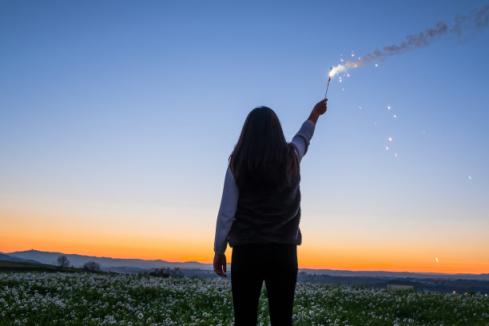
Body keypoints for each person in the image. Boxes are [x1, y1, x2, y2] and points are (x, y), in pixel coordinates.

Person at [213, 99, 328, 325]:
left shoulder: (238, 163)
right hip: (283, 253)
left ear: (247, 132)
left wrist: (219, 250)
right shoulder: (291, 157)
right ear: (277, 130)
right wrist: (315, 114)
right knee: (282, 319)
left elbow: (227, 212)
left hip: (247, 253)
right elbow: (303, 137)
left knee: (244, 320)